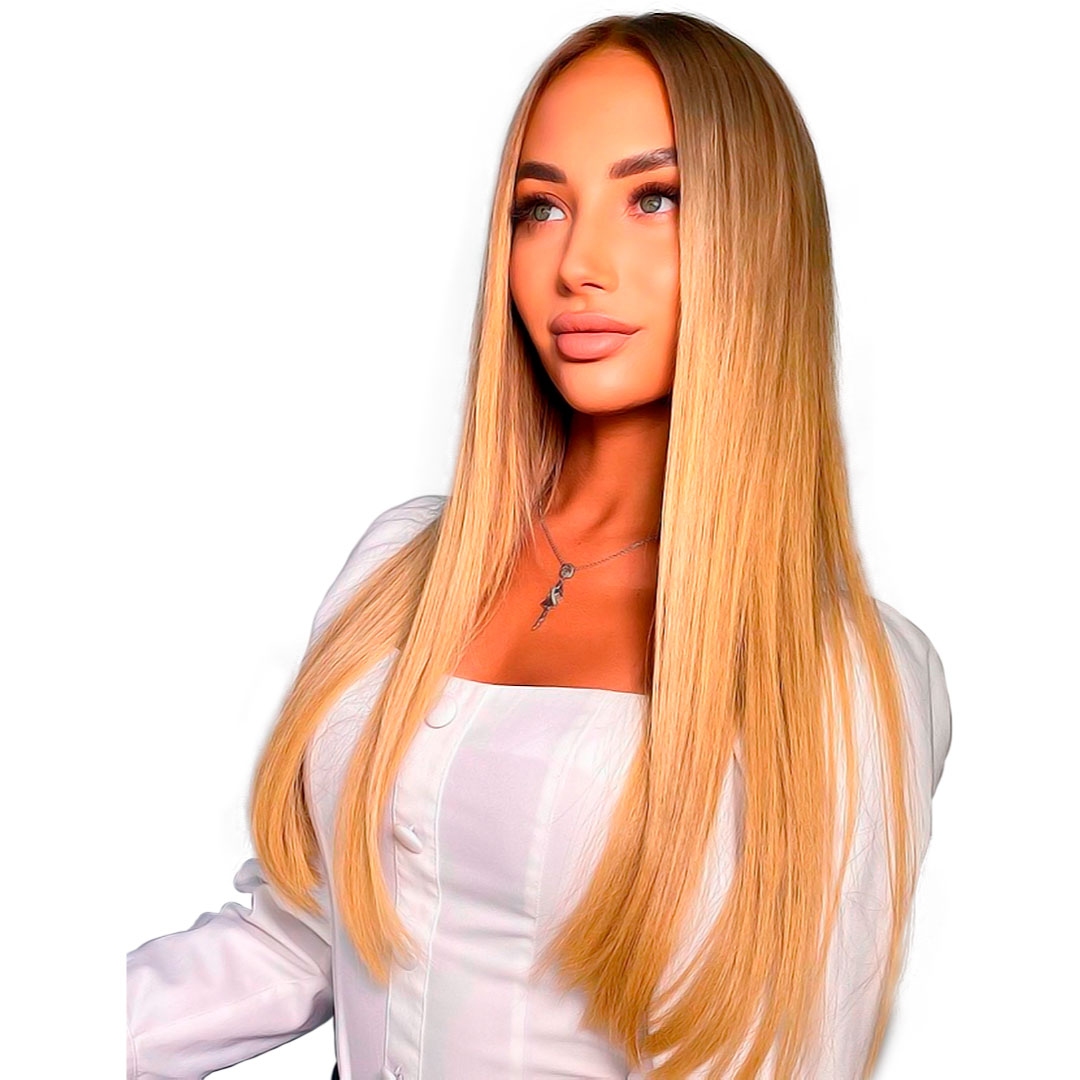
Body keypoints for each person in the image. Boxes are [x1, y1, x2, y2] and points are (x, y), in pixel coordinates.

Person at [126, 12, 953, 1079]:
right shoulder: (403, 569)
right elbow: (302, 937)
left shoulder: (834, 680)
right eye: (542, 207)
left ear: (760, 241)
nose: (578, 263)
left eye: (654, 198)